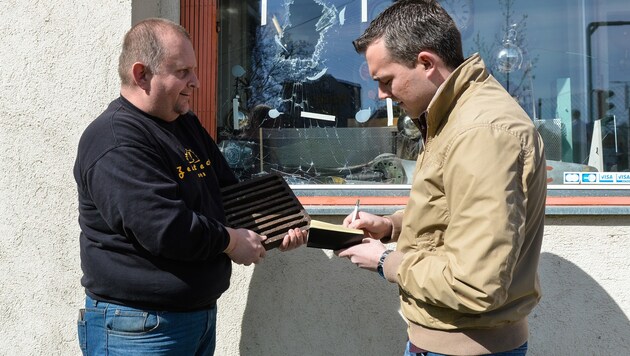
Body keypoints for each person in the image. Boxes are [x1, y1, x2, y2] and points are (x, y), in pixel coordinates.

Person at [74, 18, 306, 355]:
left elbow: (225, 193)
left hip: (191, 320)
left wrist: (274, 229)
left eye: (193, 70)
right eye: (182, 71)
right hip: (138, 329)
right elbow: (164, 227)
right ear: (142, 75)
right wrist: (230, 241)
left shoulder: (184, 124)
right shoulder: (116, 140)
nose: (195, 81)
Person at [336, 1, 547, 355]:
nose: (382, 94)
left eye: (386, 80)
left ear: (426, 63)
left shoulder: (480, 132)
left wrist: (386, 260)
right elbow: (456, 211)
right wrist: (391, 226)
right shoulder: (453, 115)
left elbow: (476, 282)